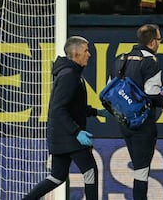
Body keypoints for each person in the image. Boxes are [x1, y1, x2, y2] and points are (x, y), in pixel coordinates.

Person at [23, 36, 109, 200]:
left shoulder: (71, 73)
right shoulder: (70, 75)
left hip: (60, 135)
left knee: (57, 176)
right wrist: (77, 132)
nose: (89, 54)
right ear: (76, 54)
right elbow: (58, 109)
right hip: (68, 136)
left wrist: (95, 112)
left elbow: (72, 107)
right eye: (86, 51)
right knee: (90, 170)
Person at [108, 24, 163, 200]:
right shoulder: (150, 61)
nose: (159, 43)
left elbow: (110, 88)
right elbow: (151, 94)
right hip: (143, 124)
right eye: (159, 40)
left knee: (138, 168)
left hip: (124, 123)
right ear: (152, 42)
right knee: (142, 171)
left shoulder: (121, 58)